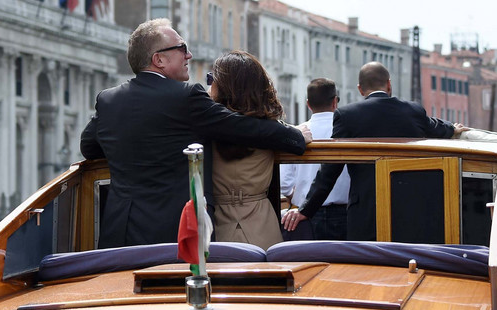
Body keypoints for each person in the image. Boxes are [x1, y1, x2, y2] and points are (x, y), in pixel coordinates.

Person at [80, 19, 310, 248]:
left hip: (121, 231)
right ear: (158, 59)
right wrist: (295, 135)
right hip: (177, 233)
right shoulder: (186, 96)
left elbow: (88, 147)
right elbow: (243, 127)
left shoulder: (109, 99)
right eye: (181, 48)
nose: (188, 55)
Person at [281, 61, 467, 241]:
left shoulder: (347, 116)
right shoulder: (413, 110)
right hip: (408, 210)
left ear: (360, 89)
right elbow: (435, 127)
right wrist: (452, 128)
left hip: (364, 213)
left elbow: (330, 169)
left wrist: (306, 210)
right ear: (389, 84)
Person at [208, 51, 290, 249]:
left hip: (216, 223)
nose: (209, 85)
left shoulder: (206, 127)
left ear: (225, 86)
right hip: (261, 220)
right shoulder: (270, 128)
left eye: (212, 79)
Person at [279, 78, 351, 241]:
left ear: (308, 104)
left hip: (304, 215)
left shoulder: (296, 134)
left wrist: (298, 199)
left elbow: (284, 182)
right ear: (335, 102)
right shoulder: (348, 132)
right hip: (344, 215)